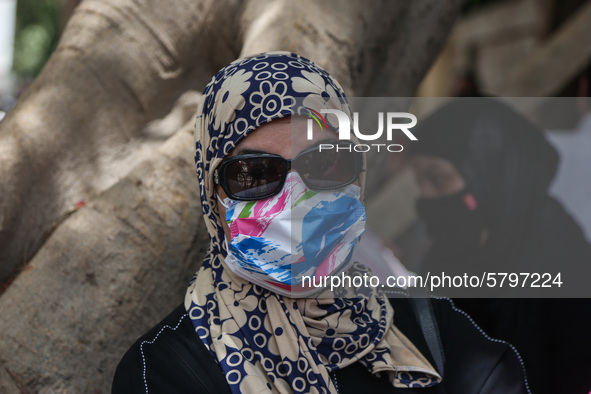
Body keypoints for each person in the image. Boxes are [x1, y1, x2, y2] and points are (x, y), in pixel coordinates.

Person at [113, 52, 528, 393]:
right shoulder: (167, 371)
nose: (296, 197)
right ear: (213, 196)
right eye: (254, 174)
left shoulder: (428, 330)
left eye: (324, 162)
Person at [410, 97, 591, 394]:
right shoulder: (444, 259)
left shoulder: (564, 261)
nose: (426, 198)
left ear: (487, 173)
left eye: (437, 179)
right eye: (421, 183)